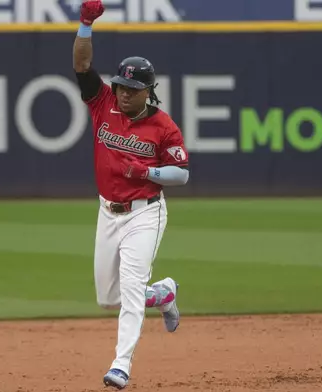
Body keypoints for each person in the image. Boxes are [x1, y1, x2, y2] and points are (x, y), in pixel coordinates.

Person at [72, 0, 191, 389]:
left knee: (130, 287)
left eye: (132, 89)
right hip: (108, 211)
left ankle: (121, 365)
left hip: (145, 212)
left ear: (147, 91)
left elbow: (181, 174)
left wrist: (147, 171)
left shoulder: (164, 127)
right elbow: (82, 66)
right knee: (110, 298)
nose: (123, 94)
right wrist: (86, 24)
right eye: (121, 86)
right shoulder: (102, 102)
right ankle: (163, 294)